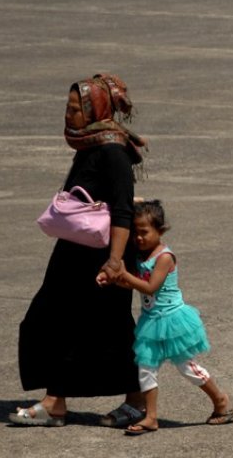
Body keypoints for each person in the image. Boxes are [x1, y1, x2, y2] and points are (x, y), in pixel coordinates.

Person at [11, 74, 148, 427]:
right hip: (74, 252)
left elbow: (122, 209)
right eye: (68, 108)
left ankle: (136, 401)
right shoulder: (89, 144)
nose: (68, 115)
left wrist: (116, 262)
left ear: (94, 110)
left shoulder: (113, 150)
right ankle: (55, 401)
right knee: (48, 317)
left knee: (111, 327)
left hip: (104, 255)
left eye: (75, 109)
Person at [107, 199, 233, 435]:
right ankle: (151, 417)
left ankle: (221, 400)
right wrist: (117, 280)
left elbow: (150, 287)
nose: (139, 238)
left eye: (144, 232)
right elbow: (137, 286)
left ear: (160, 230)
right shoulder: (141, 255)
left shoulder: (164, 257)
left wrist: (125, 275)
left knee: (187, 367)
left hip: (172, 321)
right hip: (151, 322)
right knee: (145, 368)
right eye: (135, 233)